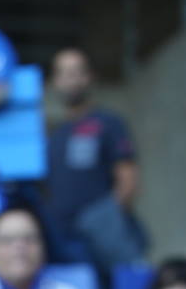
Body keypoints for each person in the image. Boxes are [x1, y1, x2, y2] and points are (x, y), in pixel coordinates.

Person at [44, 48, 144, 276]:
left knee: (131, 288)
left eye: (77, 72)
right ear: (54, 82)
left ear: (89, 77)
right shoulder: (54, 135)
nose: (72, 80)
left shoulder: (108, 122)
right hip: (66, 236)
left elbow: (128, 179)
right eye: (64, 73)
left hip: (105, 230)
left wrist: (107, 218)